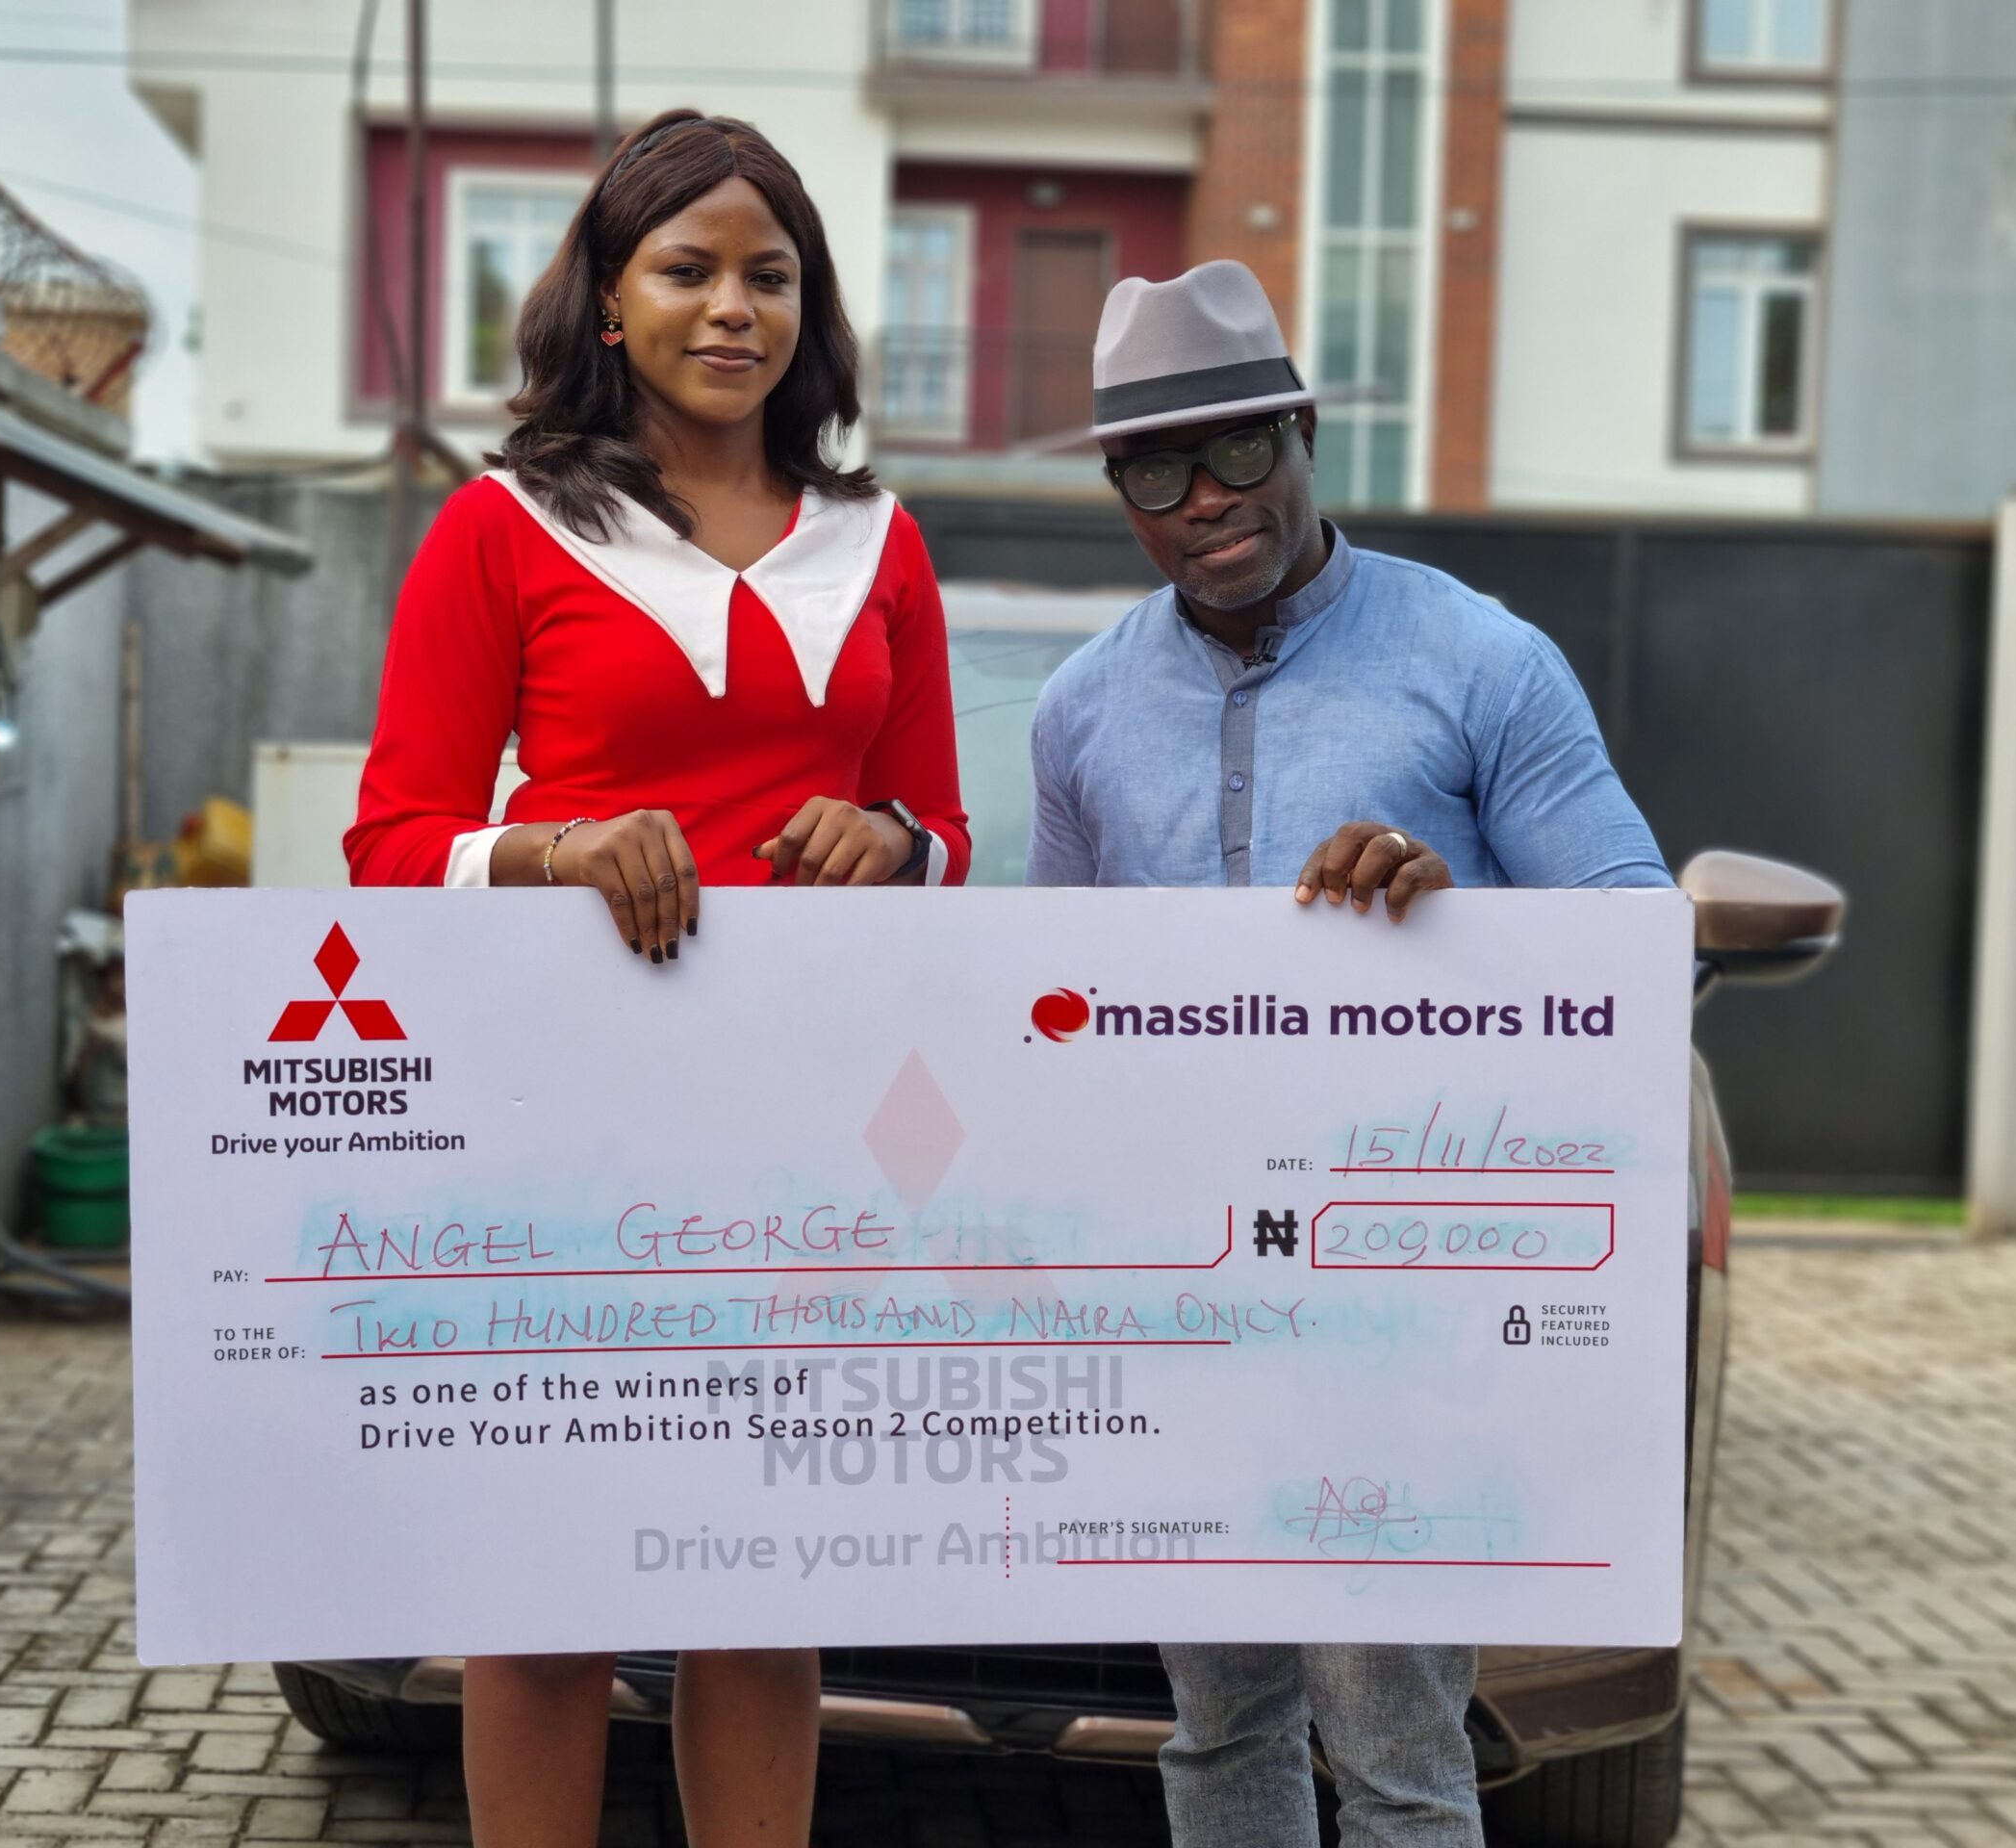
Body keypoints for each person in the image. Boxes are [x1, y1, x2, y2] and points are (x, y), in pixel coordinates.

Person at [345, 111, 970, 1846]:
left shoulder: (884, 541)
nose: (732, 308)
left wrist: (894, 840)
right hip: (569, 1124)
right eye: (688, 270)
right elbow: (390, 844)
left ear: (809, 308)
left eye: (770, 275)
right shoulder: (500, 528)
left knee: (760, 1588)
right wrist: (561, 851)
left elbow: (948, 834)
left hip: (815, 1129)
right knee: (548, 1597)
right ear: (610, 303)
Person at [1027, 260, 1671, 1845]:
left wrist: (1453, 922)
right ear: (1121, 494)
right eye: (1158, 472)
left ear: (1306, 433)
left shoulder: (1483, 661)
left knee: (1393, 1751)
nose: (1206, 499)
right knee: (1218, 1731)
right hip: (1180, 1297)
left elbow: (1633, 939)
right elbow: (1047, 1010)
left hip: (1398, 1298)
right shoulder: (1081, 710)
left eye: (1240, 448)